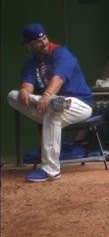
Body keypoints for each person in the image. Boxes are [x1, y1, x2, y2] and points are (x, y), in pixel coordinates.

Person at [7, 23, 93, 182]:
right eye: (38, 41)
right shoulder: (30, 64)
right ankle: (53, 103)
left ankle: (50, 170)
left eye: (44, 38)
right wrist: (25, 91)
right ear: (29, 45)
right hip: (48, 104)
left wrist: (46, 95)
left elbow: (58, 78)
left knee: (53, 111)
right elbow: (28, 83)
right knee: (13, 95)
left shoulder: (61, 53)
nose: (44, 42)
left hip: (79, 104)